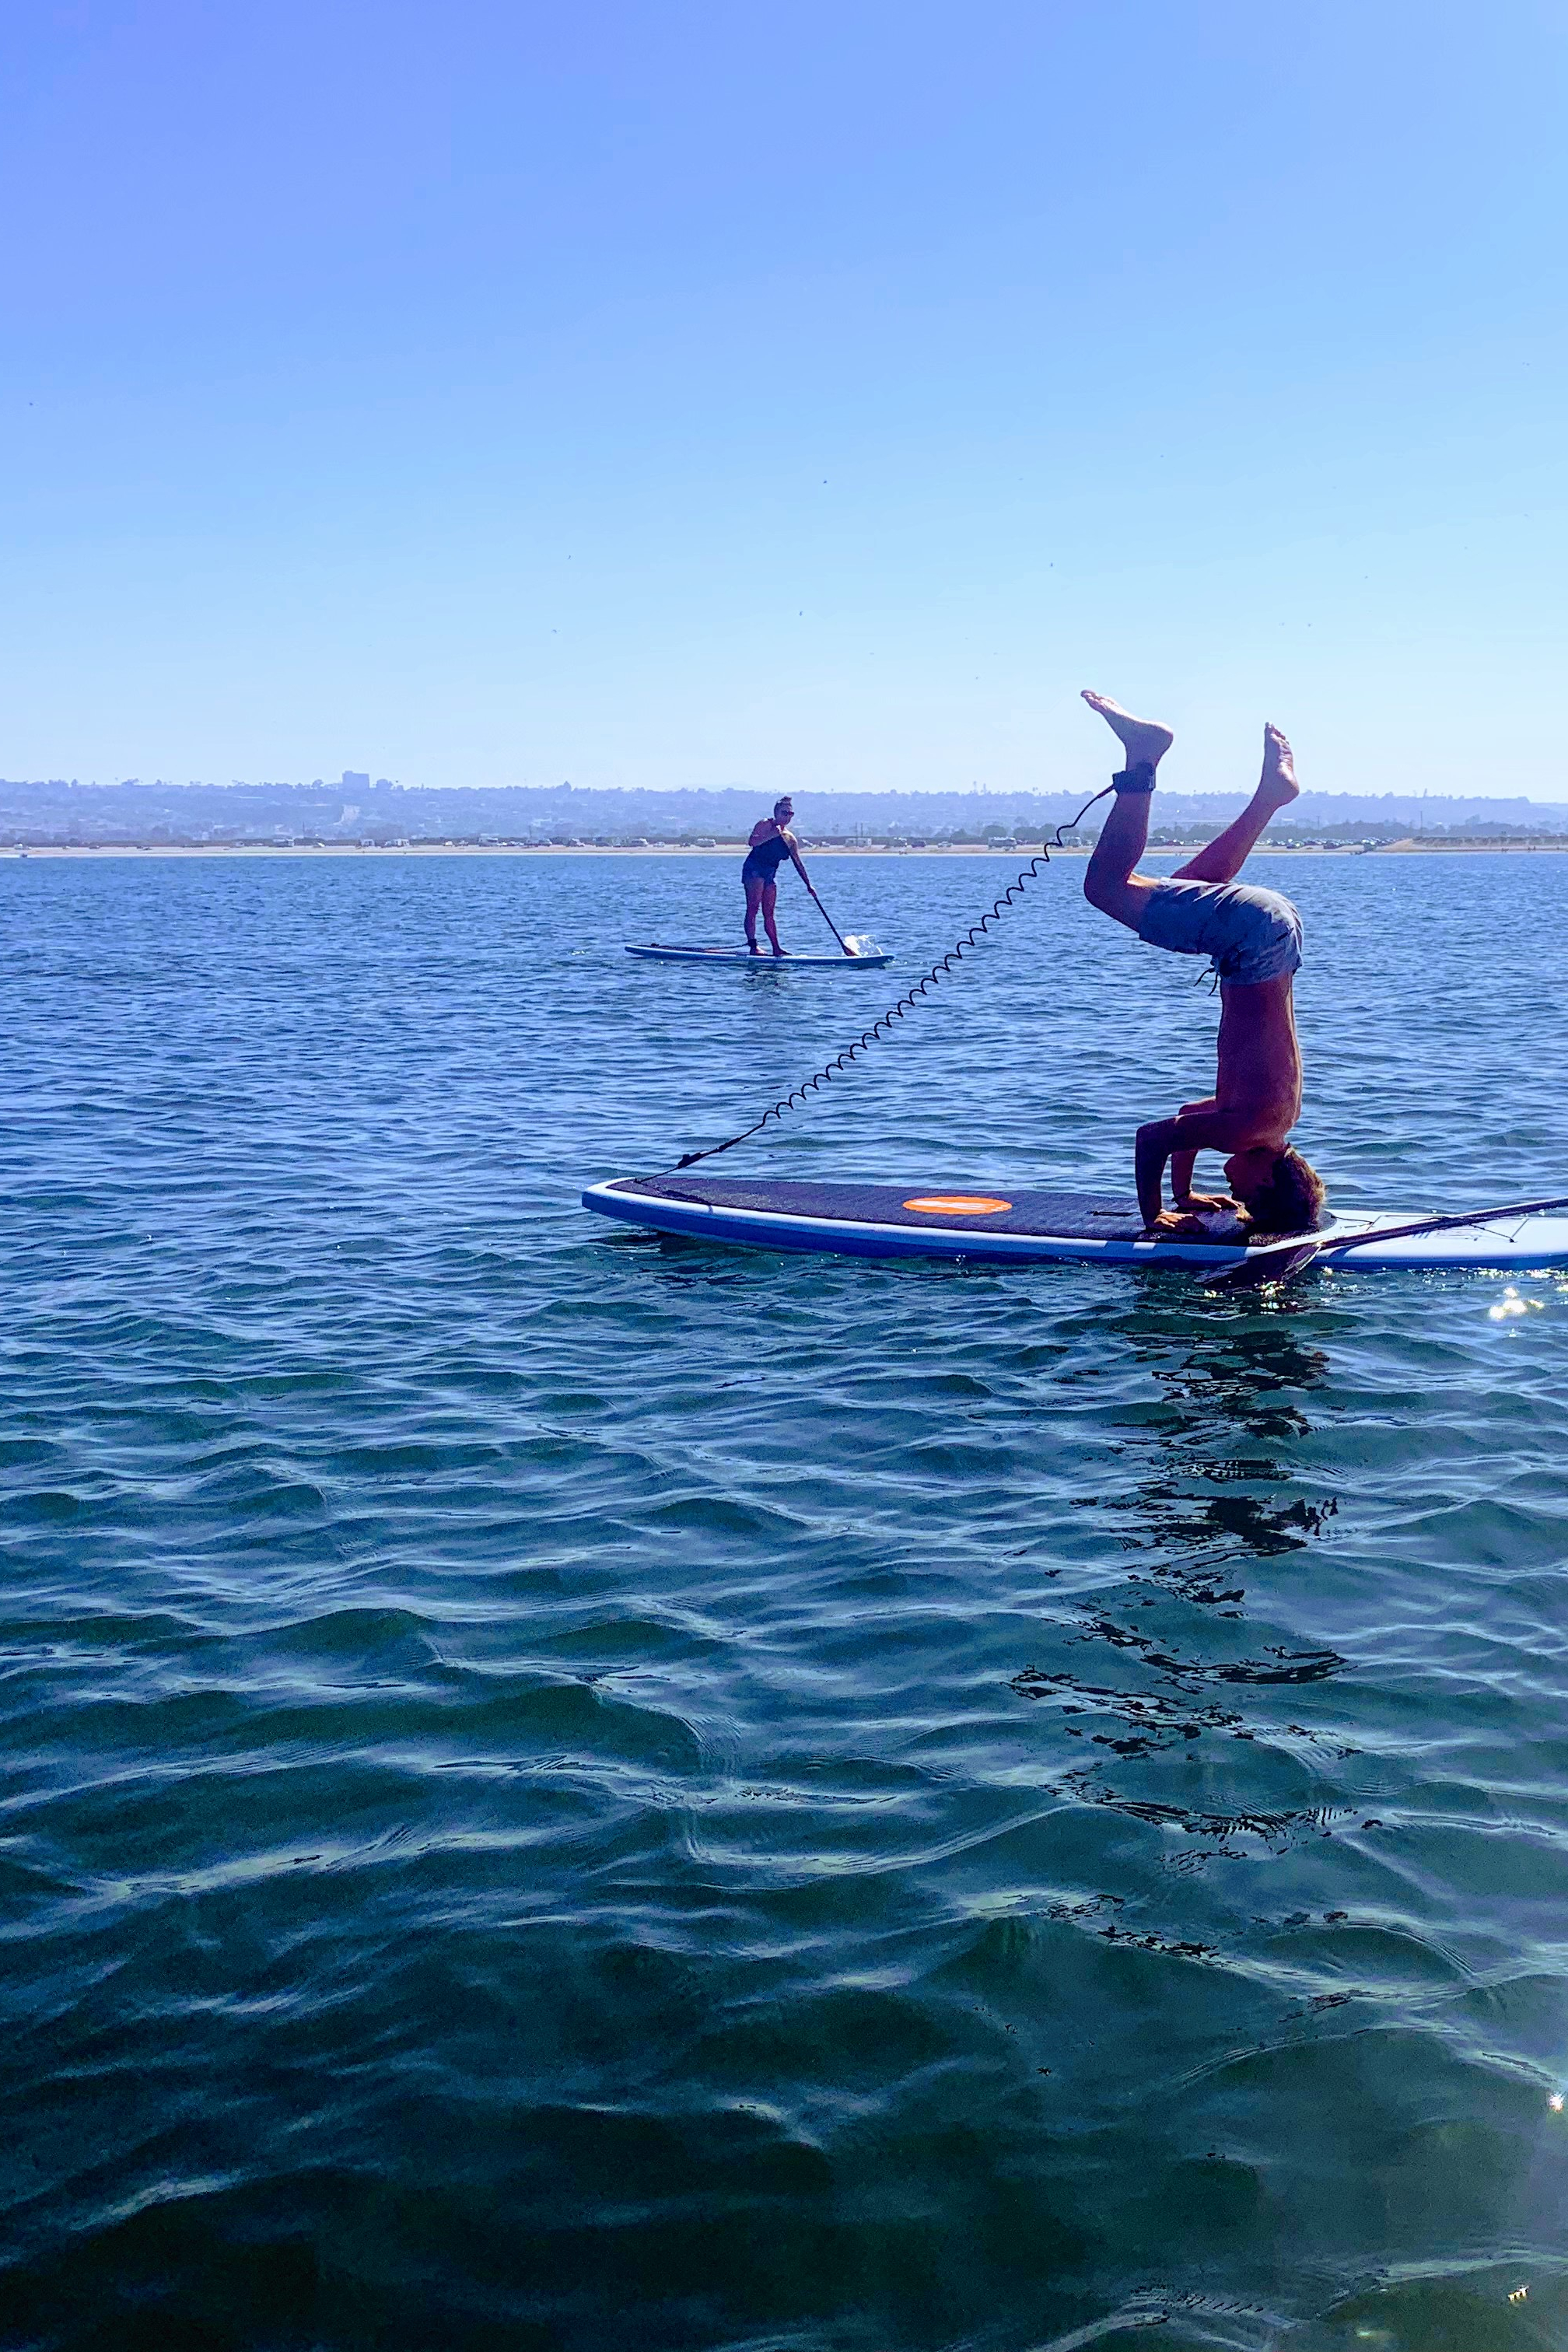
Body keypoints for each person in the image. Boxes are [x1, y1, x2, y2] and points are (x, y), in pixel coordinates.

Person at [1080, 689, 1328, 1239]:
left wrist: (1184, 1195)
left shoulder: (1272, 1122)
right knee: (1106, 888)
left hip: (1274, 934)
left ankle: (1269, 798)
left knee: (1181, 888)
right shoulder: (1245, 1132)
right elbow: (1153, 1137)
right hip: (1252, 939)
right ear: (1269, 1179)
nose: (1234, 1190)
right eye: (1247, 1195)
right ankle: (1143, 759)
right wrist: (1156, 1215)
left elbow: (1189, 1118)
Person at [741, 796, 812, 956]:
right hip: (754, 869)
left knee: (769, 913)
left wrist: (809, 885)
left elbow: (798, 863)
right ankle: (753, 946)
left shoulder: (790, 839)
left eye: (790, 813)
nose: (787, 816)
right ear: (776, 813)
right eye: (784, 813)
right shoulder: (765, 824)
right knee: (753, 908)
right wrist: (771, 835)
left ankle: (776, 947)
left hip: (770, 873)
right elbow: (752, 842)